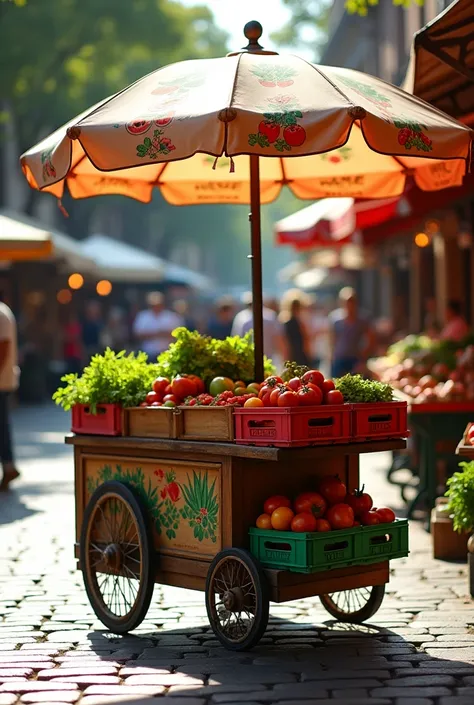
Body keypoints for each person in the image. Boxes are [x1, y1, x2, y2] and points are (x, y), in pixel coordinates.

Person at [328, 287, 376, 378]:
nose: (349, 305)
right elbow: (331, 340)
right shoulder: (335, 319)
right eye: (347, 302)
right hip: (339, 359)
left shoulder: (363, 319)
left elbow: (371, 339)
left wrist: (363, 358)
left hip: (355, 359)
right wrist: (331, 358)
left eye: (352, 301)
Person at [231, 292, 288, 367]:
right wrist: (284, 359)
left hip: (252, 361)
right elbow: (279, 340)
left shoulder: (241, 317)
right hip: (266, 360)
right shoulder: (270, 315)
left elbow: (236, 340)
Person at [0, 294, 20, 491]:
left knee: (2, 425)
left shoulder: (1, 313)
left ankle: (8, 464)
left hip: (1, 380)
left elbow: (3, 347)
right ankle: (8, 465)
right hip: (4, 380)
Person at [133, 291, 183, 358]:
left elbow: (178, 334)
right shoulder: (143, 316)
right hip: (148, 353)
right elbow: (138, 334)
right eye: (153, 305)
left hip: (167, 353)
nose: (156, 306)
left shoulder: (171, 316)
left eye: (158, 304)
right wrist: (158, 333)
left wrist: (155, 334)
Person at [279, 290, 311, 367]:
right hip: (298, 354)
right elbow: (306, 340)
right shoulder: (299, 322)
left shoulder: (286, 322)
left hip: (294, 354)